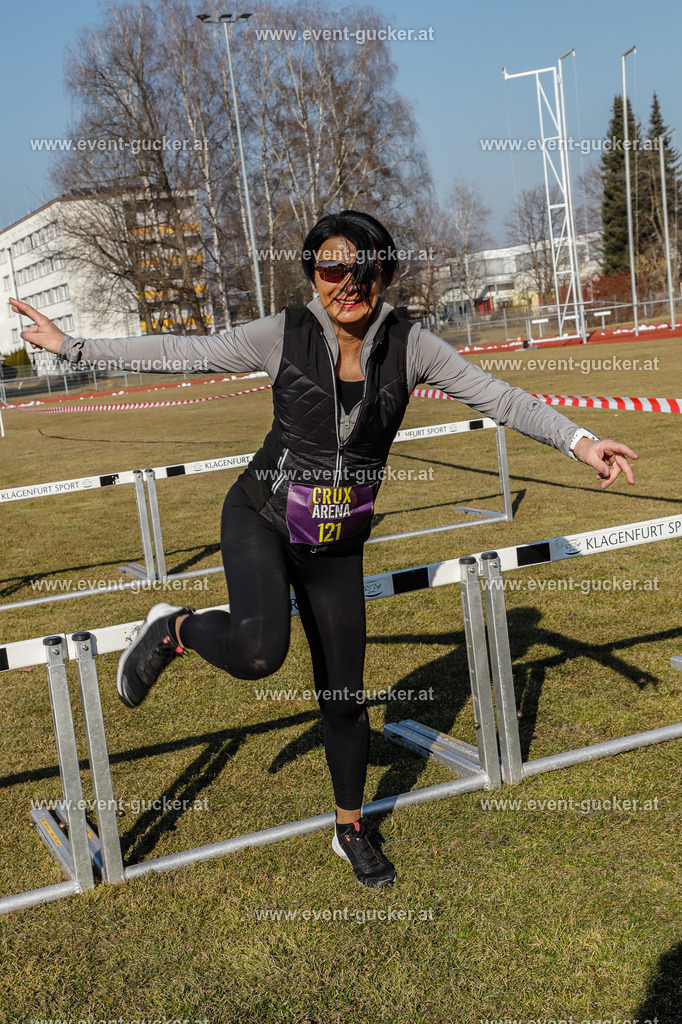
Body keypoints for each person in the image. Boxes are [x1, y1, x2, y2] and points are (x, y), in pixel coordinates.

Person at [9, 209, 639, 889]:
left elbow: (502, 398)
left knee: (344, 697)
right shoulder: (281, 334)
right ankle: (175, 629)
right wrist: (70, 346)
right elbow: (184, 353)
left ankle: (350, 829)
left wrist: (580, 442)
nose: (348, 283)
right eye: (332, 267)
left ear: (384, 274)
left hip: (337, 542)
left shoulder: (413, 345)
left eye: (363, 268)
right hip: (261, 516)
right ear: (313, 272)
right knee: (258, 653)